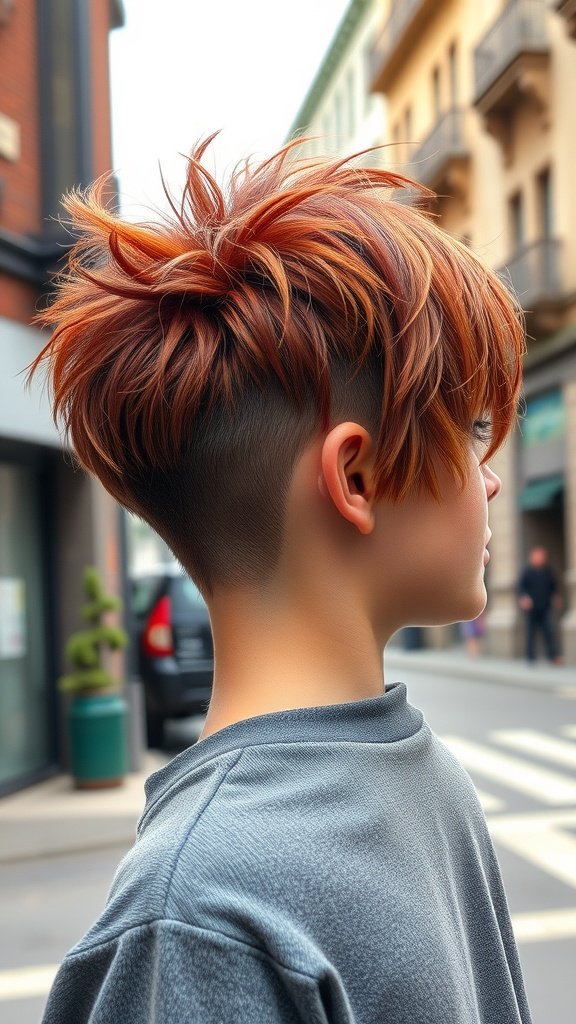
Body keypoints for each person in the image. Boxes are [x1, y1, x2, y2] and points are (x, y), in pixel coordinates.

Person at [29, 139, 531, 1023]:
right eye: (470, 426)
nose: (490, 477)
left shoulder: (425, 776)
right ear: (359, 479)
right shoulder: (198, 914)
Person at [518, 545, 561, 663]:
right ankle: (530, 657)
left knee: (549, 631)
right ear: (532, 557)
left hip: (545, 606)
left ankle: (552, 656)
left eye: (542, 556)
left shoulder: (548, 570)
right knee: (530, 633)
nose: (540, 558)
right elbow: (521, 587)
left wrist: (556, 597)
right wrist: (524, 598)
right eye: (537, 556)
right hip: (531, 608)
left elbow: (553, 586)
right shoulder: (527, 571)